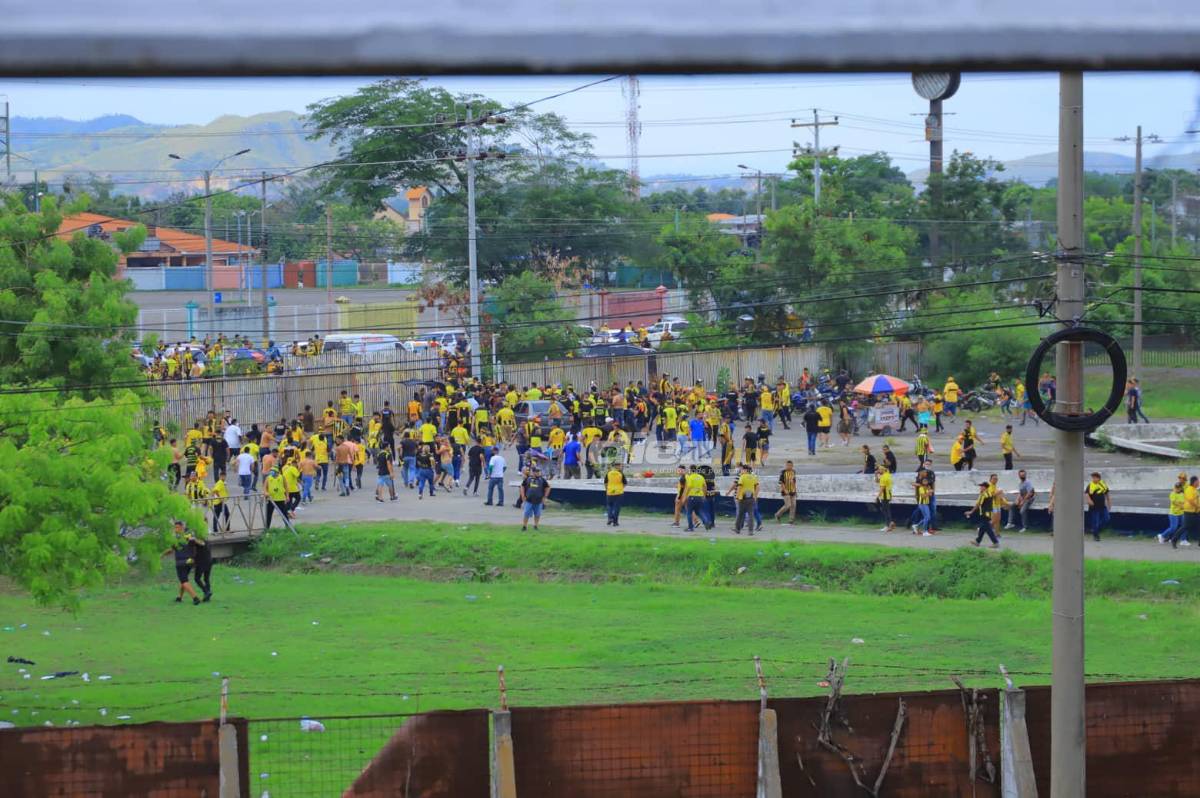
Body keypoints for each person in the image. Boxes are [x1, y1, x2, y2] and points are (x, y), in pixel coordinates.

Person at [165, 521, 202, 605]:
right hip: (190, 561)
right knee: (183, 580)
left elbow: (171, 550)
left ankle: (195, 598)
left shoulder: (177, 538)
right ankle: (179, 597)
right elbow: (199, 544)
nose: (175, 529)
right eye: (175, 527)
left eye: (177, 527)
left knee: (184, 580)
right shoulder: (189, 536)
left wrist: (162, 555)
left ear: (182, 528)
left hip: (181, 562)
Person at [967, 480, 1001, 548]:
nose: (980, 488)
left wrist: (971, 511)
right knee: (983, 528)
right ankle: (977, 541)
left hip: (984, 513)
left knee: (988, 528)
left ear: (985, 487)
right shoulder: (989, 493)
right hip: (988, 513)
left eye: (981, 486)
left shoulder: (984, 494)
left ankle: (995, 542)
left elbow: (978, 504)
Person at [1172, 475, 1199, 550]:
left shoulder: (1194, 489)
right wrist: (1198, 506)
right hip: (1189, 511)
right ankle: (1174, 539)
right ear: (1195, 482)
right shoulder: (1189, 489)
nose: (1199, 483)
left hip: (1196, 511)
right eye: (1198, 482)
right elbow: (1191, 501)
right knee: (1185, 526)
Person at [520, 467, 551, 531]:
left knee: (537, 514)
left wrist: (545, 497)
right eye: (536, 472)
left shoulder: (542, 480)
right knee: (526, 513)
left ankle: (535, 525)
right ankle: (524, 526)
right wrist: (523, 496)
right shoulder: (528, 479)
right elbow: (522, 486)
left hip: (539, 501)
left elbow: (548, 487)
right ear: (533, 472)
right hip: (529, 500)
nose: (538, 473)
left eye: (539, 471)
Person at [732, 464, 760, 535]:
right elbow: (757, 487)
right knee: (751, 515)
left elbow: (739, 487)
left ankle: (737, 529)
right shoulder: (753, 477)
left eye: (742, 469)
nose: (741, 471)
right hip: (751, 498)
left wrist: (737, 497)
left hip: (742, 499)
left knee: (740, 514)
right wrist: (755, 496)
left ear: (745, 470)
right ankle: (750, 531)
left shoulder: (742, 477)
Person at [1158, 478, 1187, 546]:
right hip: (1173, 513)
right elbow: (1174, 503)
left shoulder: (1183, 494)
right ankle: (1162, 535)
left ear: (1181, 488)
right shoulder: (1172, 494)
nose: (1177, 489)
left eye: (1178, 488)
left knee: (1184, 525)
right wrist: (1182, 506)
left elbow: (1185, 502)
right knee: (1173, 527)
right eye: (1176, 488)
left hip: (1181, 513)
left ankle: (1183, 540)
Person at [1085, 471, 1111, 542]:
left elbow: (1107, 494)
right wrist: (1089, 500)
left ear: (1098, 478)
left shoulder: (1103, 484)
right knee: (1095, 521)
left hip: (1102, 506)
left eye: (1095, 478)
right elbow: (1086, 494)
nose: (1093, 479)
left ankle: (1095, 529)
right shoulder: (1090, 485)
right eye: (1092, 478)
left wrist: (1109, 504)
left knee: (1107, 518)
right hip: (1094, 507)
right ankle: (1096, 535)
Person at [684, 465, 710, 531]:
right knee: (699, 511)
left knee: (689, 512)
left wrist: (685, 496)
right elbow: (705, 486)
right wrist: (704, 495)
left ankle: (690, 527)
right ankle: (706, 522)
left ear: (690, 470)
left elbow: (689, 487)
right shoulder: (701, 477)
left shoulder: (690, 477)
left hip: (692, 496)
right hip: (700, 496)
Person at [192, 526, 213, 603]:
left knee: (197, 578)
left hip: (202, 563)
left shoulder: (201, 541)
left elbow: (201, 543)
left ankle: (206, 591)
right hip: (209, 562)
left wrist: (192, 538)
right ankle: (207, 596)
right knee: (206, 579)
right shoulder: (207, 541)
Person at [775, 460, 797, 524]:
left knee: (793, 505)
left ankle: (791, 520)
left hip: (792, 490)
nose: (789, 466)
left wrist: (795, 490)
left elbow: (794, 481)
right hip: (785, 491)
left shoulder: (793, 472)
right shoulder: (783, 472)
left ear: (792, 466)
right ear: (786, 465)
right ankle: (778, 515)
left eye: (790, 465)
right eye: (787, 465)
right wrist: (784, 490)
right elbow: (781, 482)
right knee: (788, 505)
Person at [210, 471, 230, 535]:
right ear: (220, 476)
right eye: (222, 476)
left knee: (217, 516)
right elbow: (216, 491)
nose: (223, 477)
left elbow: (213, 491)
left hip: (219, 502)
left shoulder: (221, 483)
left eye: (224, 476)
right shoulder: (220, 483)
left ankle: (217, 530)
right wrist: (220, 498)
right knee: (226, 514)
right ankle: (226, 529)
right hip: (220, 502)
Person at [875, 465, 894, 533]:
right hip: (888, 494)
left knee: (885, 510)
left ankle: (888, 525)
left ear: (883, 470)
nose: (879, 470)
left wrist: (877, 496)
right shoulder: (887, 475)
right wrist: (876, 475)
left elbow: (882, 488)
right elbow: (877, 481)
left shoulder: (883, 477)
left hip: (885, 495)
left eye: (880, 469)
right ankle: (890, 523)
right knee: (886, 509)